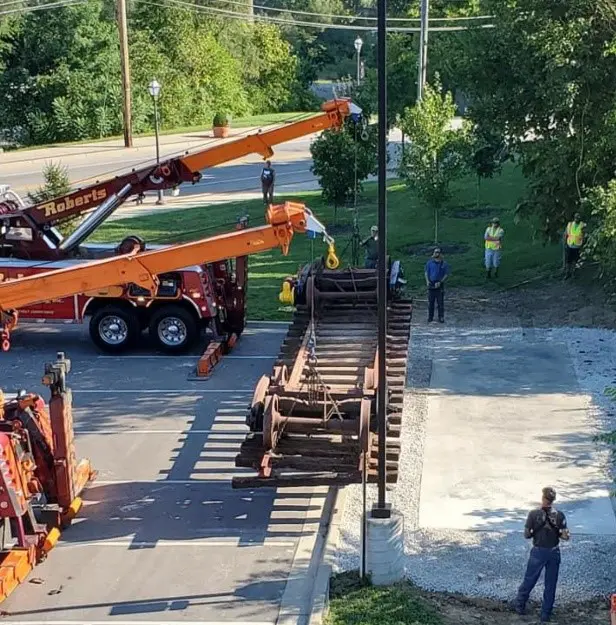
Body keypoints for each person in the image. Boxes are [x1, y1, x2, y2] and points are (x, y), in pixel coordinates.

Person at [514, 487, 570, 623]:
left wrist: (535, 532)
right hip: (554, 552)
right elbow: (565, 536)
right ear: (553, 500)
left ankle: (520, 605)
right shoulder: (560, 515)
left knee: (530, 579)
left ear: (543, 498)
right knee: (551, 584)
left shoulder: (533, 514)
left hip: (538, 552)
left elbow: (527, 535)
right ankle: (545, 614)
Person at [424, 247, 450, 323]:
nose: (436, 254)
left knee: (440, 303)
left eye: (438, 252)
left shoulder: (443, 264)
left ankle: (441, 317)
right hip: (431, 283)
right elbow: (426, 272)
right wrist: (427, 281)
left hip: (439, 284)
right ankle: (430, 317)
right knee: (431, 302)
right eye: (435, 252)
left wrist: (441, 282)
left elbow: (446, 274)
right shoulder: (429, 263)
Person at [564, 212, 585, 278]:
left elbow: (584, 235)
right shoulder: (570, 225)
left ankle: (573, 273)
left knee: (575, 261)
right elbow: (566, 234)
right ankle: (567, 273)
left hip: (577, 245)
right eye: (576, 217)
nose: (577, 218)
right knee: (568, 260)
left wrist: (583, 245)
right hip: (570, 244)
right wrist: (565, 243)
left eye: (578, 217)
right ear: (574, 218)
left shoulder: (582, 225)